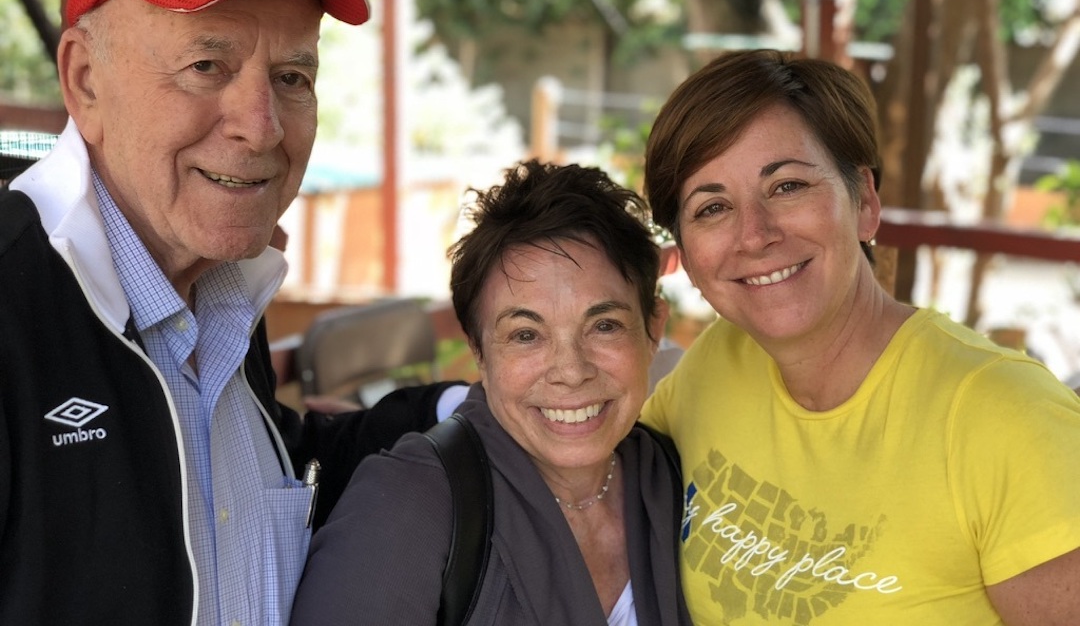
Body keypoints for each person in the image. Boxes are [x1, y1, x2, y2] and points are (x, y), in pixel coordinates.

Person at [0, 0, 463, 623]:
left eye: (292, 76)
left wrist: (455, 412)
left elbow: (240, 473)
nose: (262, 125)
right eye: (206, 65)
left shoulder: (211, 288)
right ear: (85, 80)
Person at [639, 48, 1080, 624]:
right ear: (689, 261)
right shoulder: (714, 366)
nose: (755, 235)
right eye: (712, 207)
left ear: (865, 203)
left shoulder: (1006, 416)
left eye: (788, 187)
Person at [291, 160, 691, 625]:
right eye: (525, 335)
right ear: (478, 350)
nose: (571, 371)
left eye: (604, 325)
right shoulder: (408, 505)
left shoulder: (673, 479)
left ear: (653, 329)